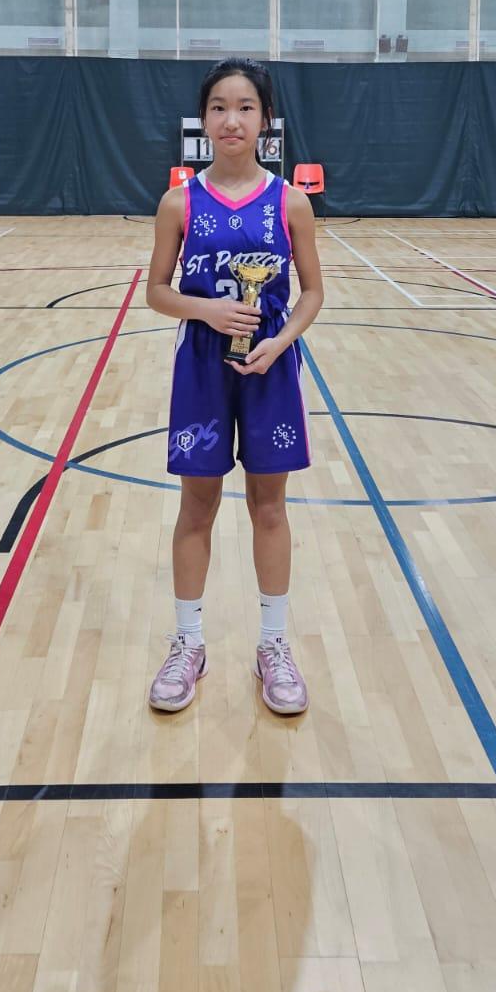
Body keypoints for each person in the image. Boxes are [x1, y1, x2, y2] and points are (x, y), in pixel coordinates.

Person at [146, 57, 324, 716]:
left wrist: (282, 340)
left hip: (270, 366)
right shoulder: (178, 202)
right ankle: (188, 643)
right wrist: (206, 310)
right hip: (201, 364)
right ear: (204, 119)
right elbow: (156, 292)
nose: (231, 119)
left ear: (265, 121)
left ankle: (272, 644)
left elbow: (312, 293)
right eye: (219, 107)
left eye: (245, 107)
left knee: (269, 507)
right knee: (197, 506)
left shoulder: (290, 202)